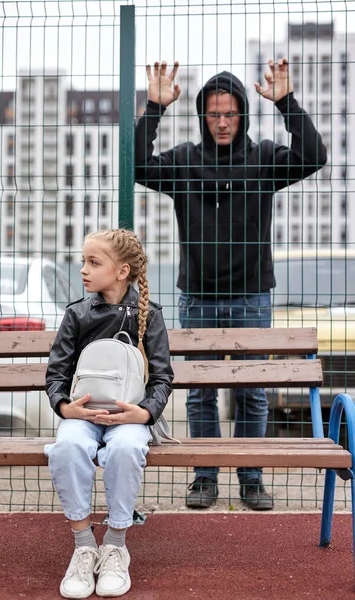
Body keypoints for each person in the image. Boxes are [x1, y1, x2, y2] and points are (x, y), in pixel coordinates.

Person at [135, 59, 327, 511]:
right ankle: (204, 478)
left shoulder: (263, 158)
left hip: (251, 297)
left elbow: (314, 156)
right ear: (203, 115)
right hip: (198, 298)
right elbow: (137, 166)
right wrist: (154, 108)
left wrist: (286, 103)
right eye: (213, 114)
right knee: (201, 392)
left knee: (251, 390)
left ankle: (251, 477)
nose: (222, 122)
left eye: (230, 113)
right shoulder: (183, 160)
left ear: (242, 114)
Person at [45, 228, 173, 599]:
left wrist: (143, 414)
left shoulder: (149, 315)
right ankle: (84, 546)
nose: (83, 269)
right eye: (83, 260)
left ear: (122, 271)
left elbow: (163, 377)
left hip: (129, 417)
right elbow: (57, 374)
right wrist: (66, 408)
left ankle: (116, 546)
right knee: (67, 447)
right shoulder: (77, 314)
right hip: (82, 417)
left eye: (93, 262)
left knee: (126, 449)